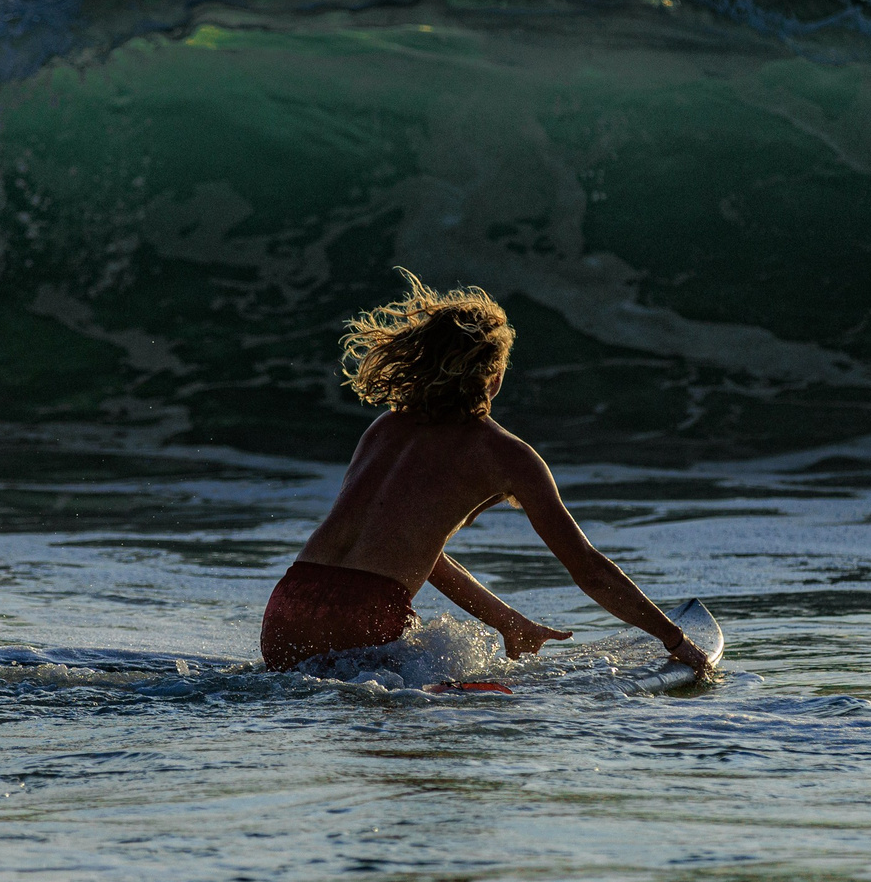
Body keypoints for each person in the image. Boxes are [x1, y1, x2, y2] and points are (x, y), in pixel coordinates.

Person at [260, 270, 713, 676]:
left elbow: (409, 552)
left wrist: (507, 621)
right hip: (365, 616)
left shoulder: (384, 429)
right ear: (494, 375)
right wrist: (673, 639)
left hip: (287, 606)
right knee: (484, 704)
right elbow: (589, 570)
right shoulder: (506, 455)